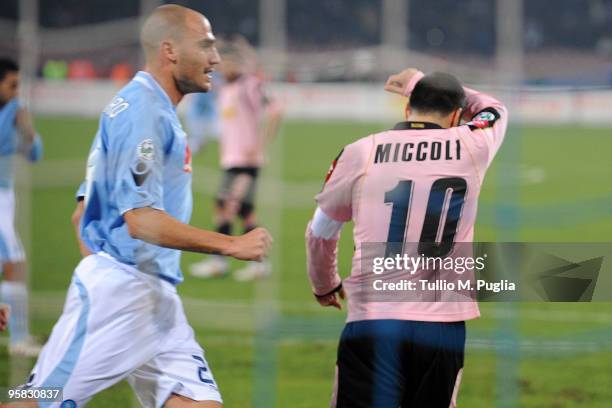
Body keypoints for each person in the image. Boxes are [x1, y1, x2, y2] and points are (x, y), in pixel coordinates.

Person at [22, 5, 271, 408]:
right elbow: (139, 220)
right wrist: (230, 245)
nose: (216, 59)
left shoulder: (142, 106)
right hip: (125, 291)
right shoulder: (144, 113)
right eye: (206, 46)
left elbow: (81, 212)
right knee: (34, 400)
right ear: (170, 50)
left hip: (153, 298)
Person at [306, 67, 508, 407]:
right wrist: (418, 79)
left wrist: (324, 283)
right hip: (442, 327)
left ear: (406, 109)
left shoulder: (361, 152)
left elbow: (321, 230)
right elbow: (496, 109)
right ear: (457, 115)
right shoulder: (473, 144)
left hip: (374, 319)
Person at [190, 38, 283, 282]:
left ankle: (219, 262)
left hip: (246, 161)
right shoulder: (225, 89)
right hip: (231, 159)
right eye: (224, 61)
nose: (226, 65)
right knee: (244, 211)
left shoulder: (249, 85)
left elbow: (276, 110)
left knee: (224, 204)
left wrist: (260, 145)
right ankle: (257, 265)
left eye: (231, 61)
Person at [0, 57, 43, 357]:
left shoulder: (15, 111)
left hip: (6, 195)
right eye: (11, 85)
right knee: (15, 264)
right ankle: (18, 340)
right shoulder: (10, 112)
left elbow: (35, 154)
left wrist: (28, 130)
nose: (17, 92)